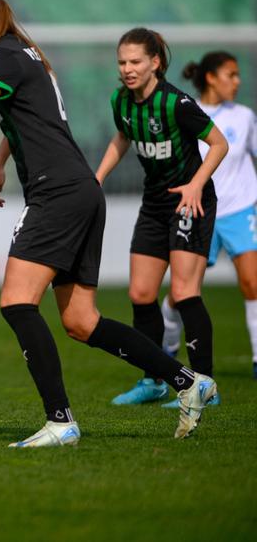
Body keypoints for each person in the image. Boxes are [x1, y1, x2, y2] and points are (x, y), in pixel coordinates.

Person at [0, 0, 218, 446]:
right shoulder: (25, 53)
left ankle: (61, 421)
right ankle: (187, 381)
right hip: (80, 189)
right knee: (81, 321)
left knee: (16, 303)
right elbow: (30, 118)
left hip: (58, 193)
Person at [96, 30, 228, 407]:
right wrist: (97, 177)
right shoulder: (121, 100)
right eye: (122, 62)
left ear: (155, 62)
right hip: (154, 203)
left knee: (184, 292)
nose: (127, 69)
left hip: (190, 203)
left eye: (135, 62)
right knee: (140, 293)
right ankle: (153, 380)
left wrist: (195, 185)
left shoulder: (176, 103)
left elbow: (219, 143)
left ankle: (205, 386)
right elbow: (122, 137)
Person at [160, 51, 257, 379]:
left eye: (238, 74)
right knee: (181, 292)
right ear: (211, 78)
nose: (237, 81)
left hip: (240, 209)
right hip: (200, 210)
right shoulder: (189, 113)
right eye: (231, 74)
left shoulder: (244, 117)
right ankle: (167, 346)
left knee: (253, 283)